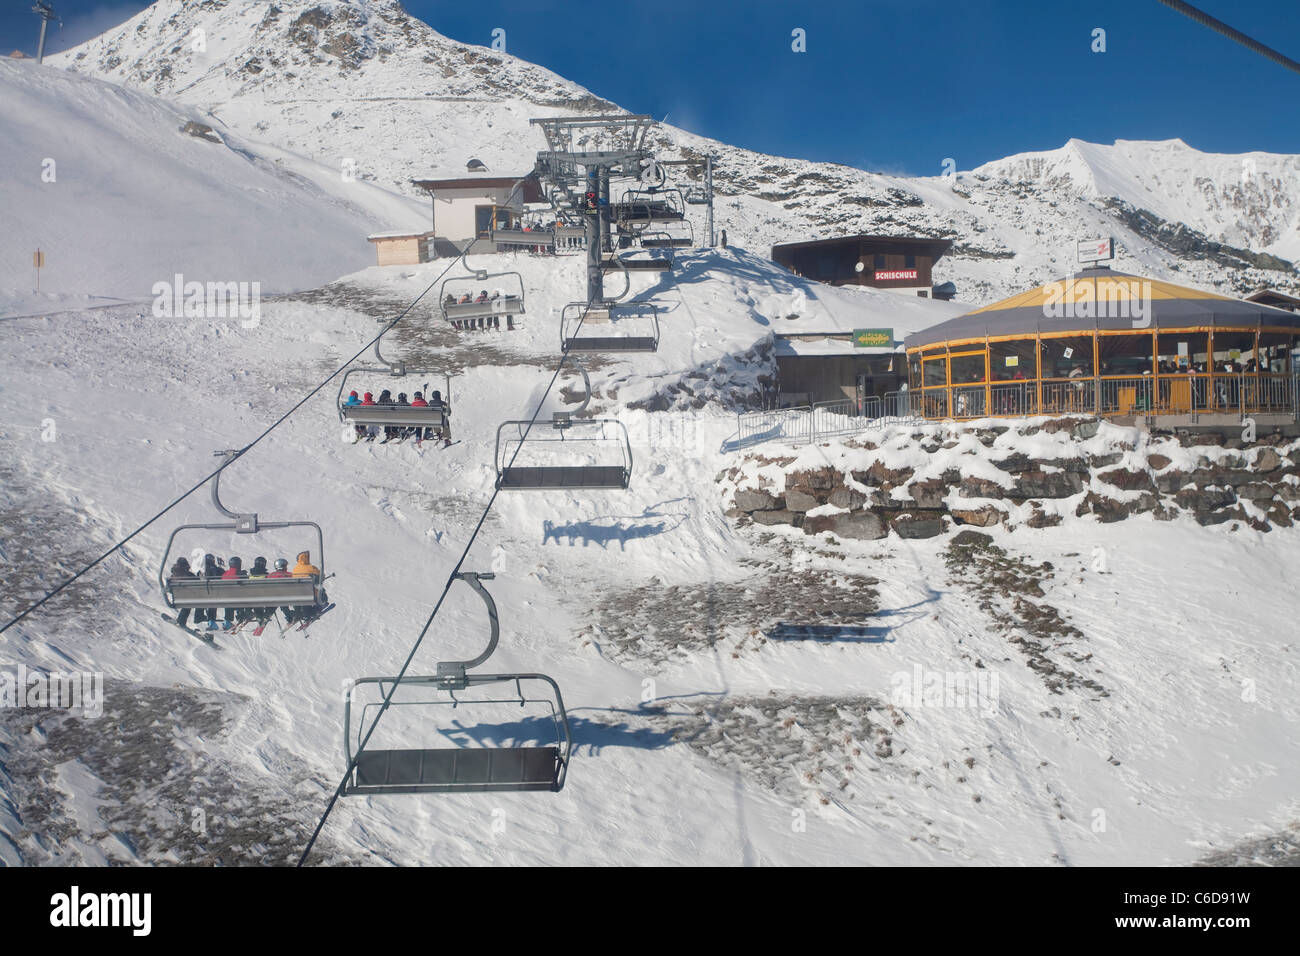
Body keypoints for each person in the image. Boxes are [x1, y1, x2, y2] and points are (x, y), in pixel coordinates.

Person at [290, 550, 328, 625]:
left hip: (299, 595)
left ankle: (306, 614)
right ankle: (315, 611)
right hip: (312, 594)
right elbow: (321, 576)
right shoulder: (311, 568)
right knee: (321, 595)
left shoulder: (295, 569)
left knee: (305, 596)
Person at [168, 557, 197, 628]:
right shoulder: (189, 575)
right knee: (189, 602)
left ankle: (180, 620)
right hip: (189, 598)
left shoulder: (173, 575)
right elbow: (197, 582)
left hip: (177, 599)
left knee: (187, 602)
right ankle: (182, 621)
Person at [221, 556, 247, 630]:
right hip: (239, 599)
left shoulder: (225, 574)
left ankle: (227, 621)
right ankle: (241, 616)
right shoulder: (240, 573)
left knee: (229, 599)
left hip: (226, 598)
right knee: (241, 596)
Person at [268, 557, 294, 623]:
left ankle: (266, 615)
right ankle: (290, 615)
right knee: (283, 600)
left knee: (279, 599)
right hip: (288, 596)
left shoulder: (271, 575)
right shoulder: (290, 575)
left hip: (273, 597)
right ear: (283, 566)